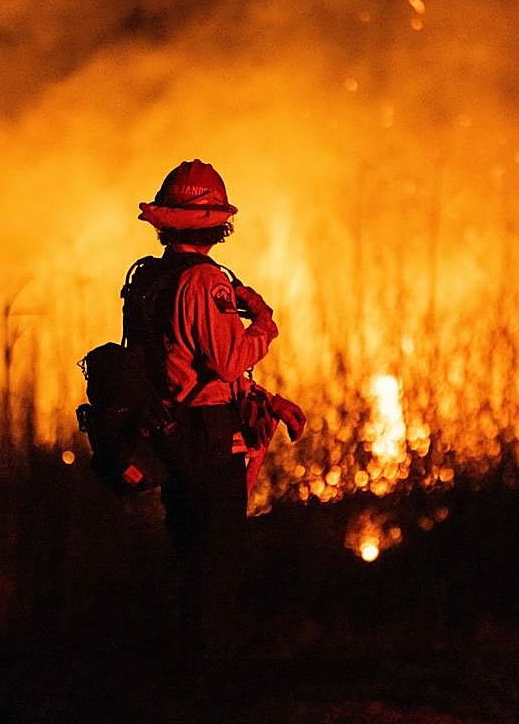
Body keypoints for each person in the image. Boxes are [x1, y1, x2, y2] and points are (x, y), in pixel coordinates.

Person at [125, 158, 305, 660]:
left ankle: (185, 667)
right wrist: (263, 321)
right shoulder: (205, 283)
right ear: (216, 223)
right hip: (206, 437)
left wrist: (267, 402)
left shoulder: (148, 279)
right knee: (217, 560)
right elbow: (228, 362)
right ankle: (211, 676)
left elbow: (179, 361)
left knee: (189, 553)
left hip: (170, 431)